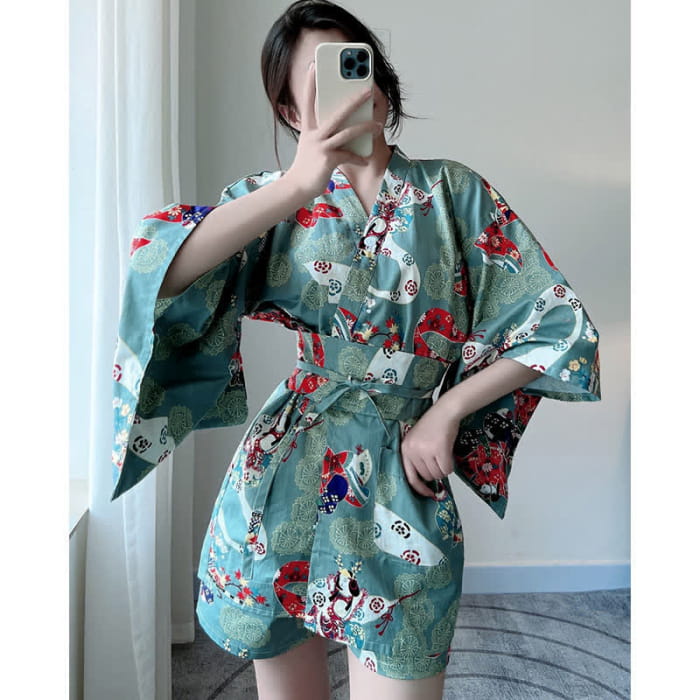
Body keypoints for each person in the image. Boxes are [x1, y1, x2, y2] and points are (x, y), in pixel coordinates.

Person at [111, 1, 601, 698]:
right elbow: (158, 271)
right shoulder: (277, 202)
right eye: (319, 79)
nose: (345, 88)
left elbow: (558, 324)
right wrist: (297, 185)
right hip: (284, 474)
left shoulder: (453, 192)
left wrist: (448, 410)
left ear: (379, 79)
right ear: (290, 110)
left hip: (401, 476)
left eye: (353, 63)